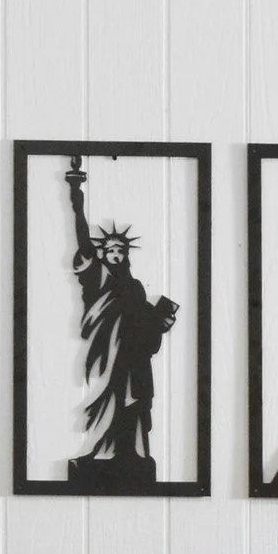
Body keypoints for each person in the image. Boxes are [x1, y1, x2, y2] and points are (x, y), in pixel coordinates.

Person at [64, 154, 177, 488]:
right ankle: (103, 452)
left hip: (136, 354)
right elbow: (83, 239)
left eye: (119, 250)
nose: (115, 254)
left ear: (126, 254)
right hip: (112, 352)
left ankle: (130, 453)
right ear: (103, 253)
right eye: (110, 249)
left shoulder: (136, 286)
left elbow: (146, 323)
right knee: (113, 401)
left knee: (137, 403)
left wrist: (160, 321)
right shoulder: (99, 277)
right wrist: (76, 197)